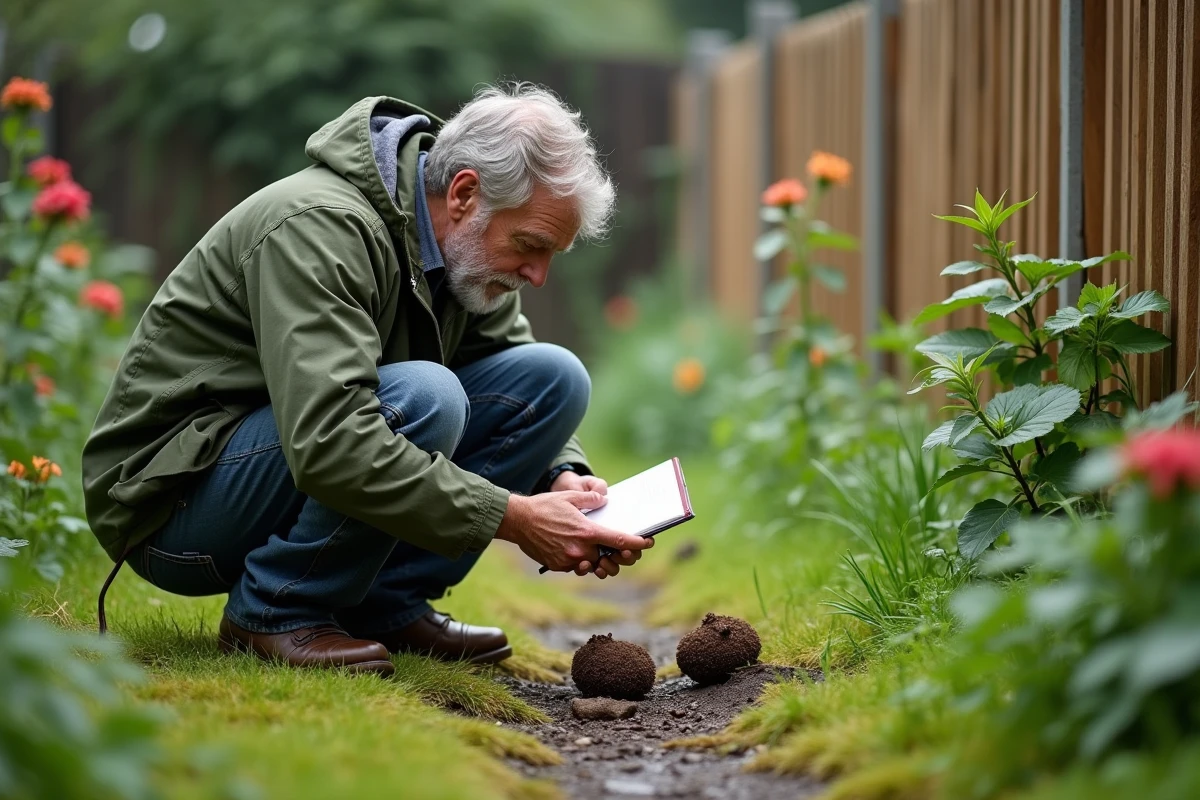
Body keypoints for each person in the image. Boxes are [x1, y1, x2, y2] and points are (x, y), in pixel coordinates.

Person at [81, 83, 654, 678]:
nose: (537, 276)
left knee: (555, 377)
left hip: (268, 460)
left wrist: (564, 479)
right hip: (172, 502)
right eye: (530, 245)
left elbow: (515, 367)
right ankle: (276, 611)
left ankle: (383, 606)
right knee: (428, 398)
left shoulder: (459, 252)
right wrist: (512, 517)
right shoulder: (319, 227)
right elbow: (331, 440)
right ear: (464, 194)